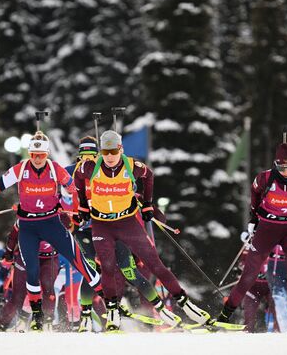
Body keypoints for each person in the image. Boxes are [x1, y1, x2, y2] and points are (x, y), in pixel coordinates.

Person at [74, 130, 213, 331]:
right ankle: (112, 309)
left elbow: (149, 176)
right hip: (101, 223)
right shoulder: (89, 167)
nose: (110, 157)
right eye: (106, 152)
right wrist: (83, 205)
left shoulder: (132, 166)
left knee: (154, 262)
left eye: (114, 151)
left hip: (128, 222)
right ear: (100, 153)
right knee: (107, 267)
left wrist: (147, 205)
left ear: (120, 149)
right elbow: (77, 178)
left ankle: (184, 301)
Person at [0, 130, 101, 331]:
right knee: (32, 272)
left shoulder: (55, 169)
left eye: (41, 155)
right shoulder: (20, 169)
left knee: (77, 259)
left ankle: (109, 300)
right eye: (34, 155)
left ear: (47, 154)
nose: (37, 159)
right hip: (28, 226)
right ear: (29, 153)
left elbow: (74, 189)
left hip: (51, 223)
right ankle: (36, 316)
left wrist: (81, 210)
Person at [217, 142, 287, 333]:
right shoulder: (264, 178)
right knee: (249, 274)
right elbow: (254, 194)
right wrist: (253, 218)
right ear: (275, 164)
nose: (286, 171)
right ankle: (224, 315)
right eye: (282, 167)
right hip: (267, 229)